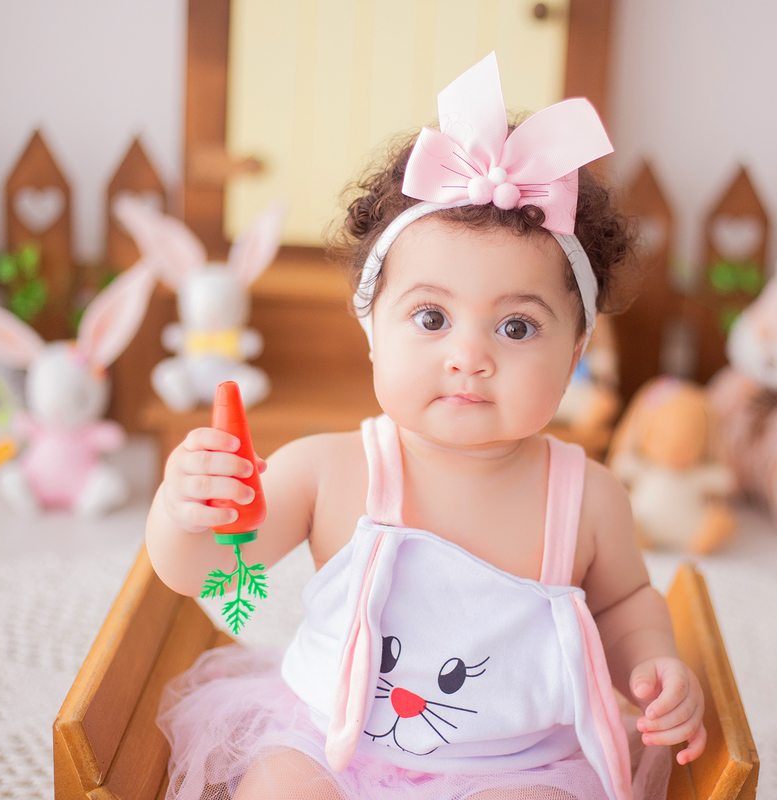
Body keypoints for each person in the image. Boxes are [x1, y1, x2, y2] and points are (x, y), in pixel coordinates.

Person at [145, 53, 706, 800]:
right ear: (372, 329)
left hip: (517, 766)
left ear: (575, 352)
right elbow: (214, 573)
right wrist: (187, 513)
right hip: (331, 744)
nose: (468, 357)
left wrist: (652, 663)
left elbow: (625, 605)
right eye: (431, 317)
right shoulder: (329, 470)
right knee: (282, 788)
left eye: (515, 326)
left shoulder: (589, 496)